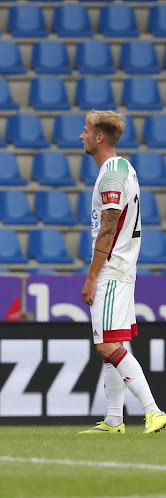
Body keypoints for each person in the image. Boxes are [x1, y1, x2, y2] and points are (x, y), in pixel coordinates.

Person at [78, 110, 166, 434]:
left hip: (112, 270)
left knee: (106, 346)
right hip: (123, 268)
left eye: (86, 131)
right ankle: (114, 420)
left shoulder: (112, 173)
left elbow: (109, 227)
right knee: (112, 343)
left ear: (99, 137)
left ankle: (153, 410)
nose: (82, 136)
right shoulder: (123, 167)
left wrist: (91, 276)